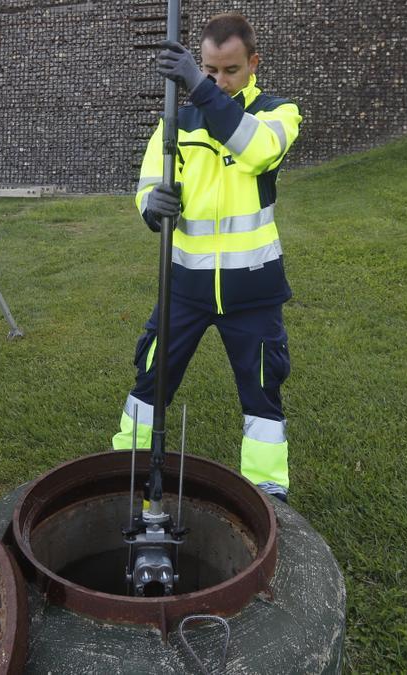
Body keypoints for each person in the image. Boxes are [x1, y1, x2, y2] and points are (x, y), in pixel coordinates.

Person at [112, 13, 303, 503]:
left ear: (254, 63)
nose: (219, 80)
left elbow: (257, 150)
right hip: (183, 286)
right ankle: (128, 471)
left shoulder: (278, 113)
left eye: (230, 70)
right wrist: (149, 206)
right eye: (210, 69)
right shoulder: (174, 116)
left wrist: (198, 87)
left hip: (253, 290)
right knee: (151, 379)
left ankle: (267, 493)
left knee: (261, 393)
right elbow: (149, 179)